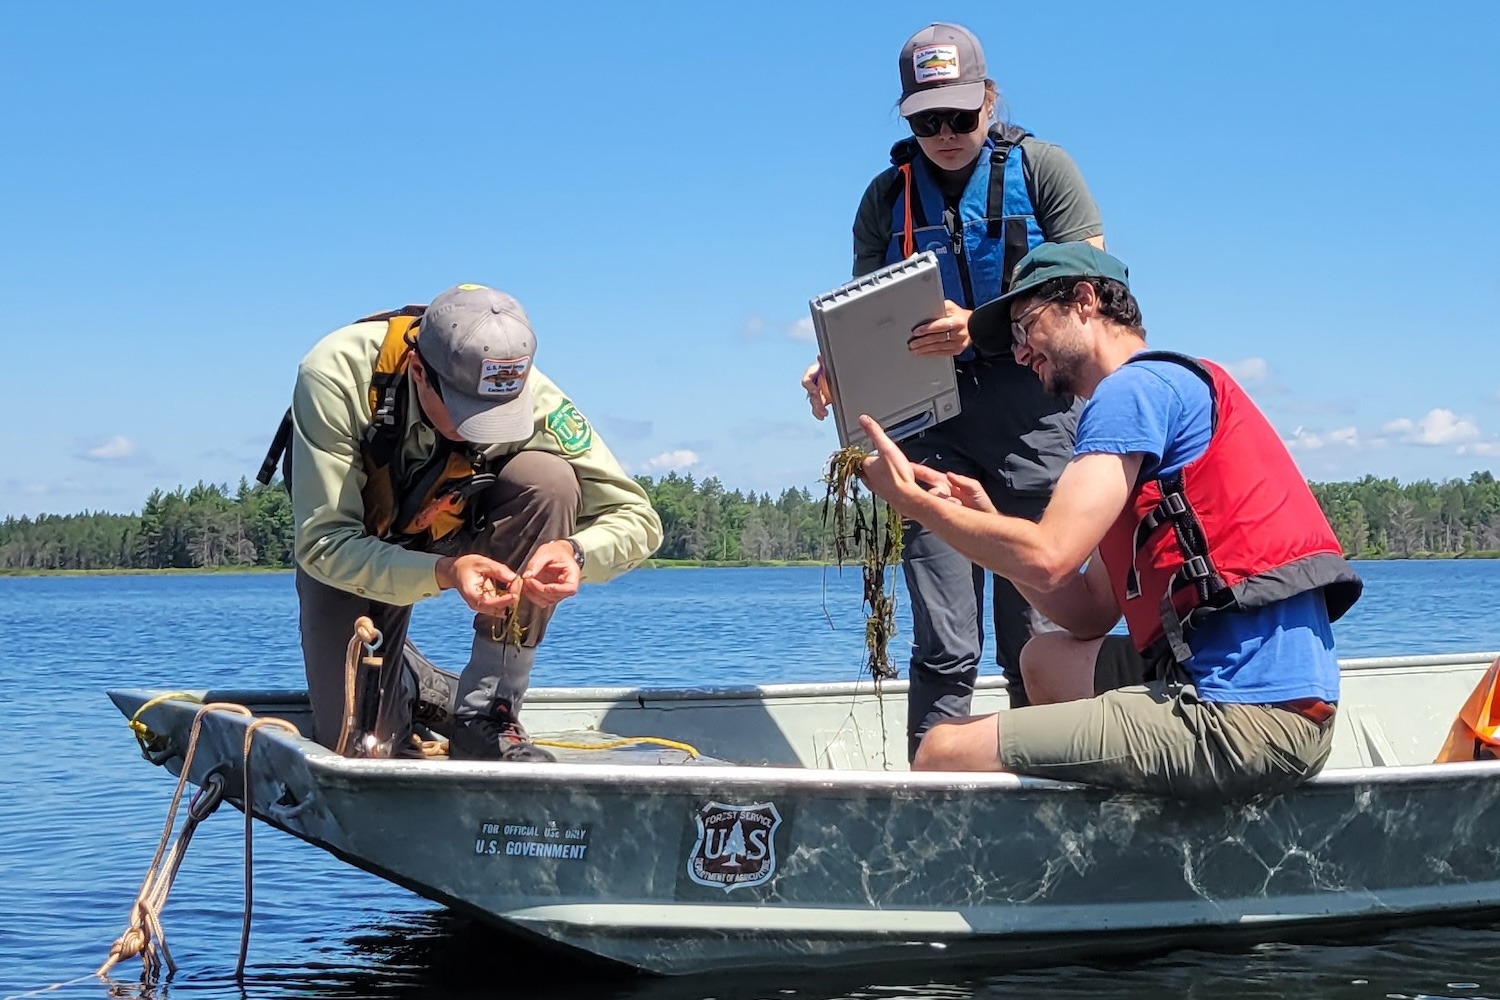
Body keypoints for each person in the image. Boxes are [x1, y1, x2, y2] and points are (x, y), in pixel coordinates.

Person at [856, 242, 1364, 800]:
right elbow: (1089, 612)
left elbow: (1050, 556)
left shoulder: (1131, 391)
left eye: (1026, 327)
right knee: (1043, 661)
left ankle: (1066, 861)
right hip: (1258, 701)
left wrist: (919, 504)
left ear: (1084, 300)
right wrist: (982, 520)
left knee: (941, 750)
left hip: (1241, 717)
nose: (1021, 354)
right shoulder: (1158, 404)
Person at [799, 22, 1108, 759]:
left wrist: (983, 326)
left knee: (1033, 636)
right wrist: (833, 366)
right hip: (931, 434)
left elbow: (1091, 284)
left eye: (961, 116)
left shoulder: (1045, 169)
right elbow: (863, 310)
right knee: (945, 642)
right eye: (926, 119)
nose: (945, 133)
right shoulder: (885, 199)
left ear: (989, 103)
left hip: (1036, 429)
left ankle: (1046, 786)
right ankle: (934, 790)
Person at [269, 283, 662, 761]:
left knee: (549, 480)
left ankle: (484, 712)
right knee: (362, 750)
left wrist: (577, 552)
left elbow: (639, 519)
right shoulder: (335, 375)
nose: (487, 428)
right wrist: (443, 574)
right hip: (357, 547)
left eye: (503, 415)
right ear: (418, 371)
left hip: (455, 529)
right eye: (468, 416)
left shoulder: (529, 390)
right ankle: (416, 684)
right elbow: (324, 543)